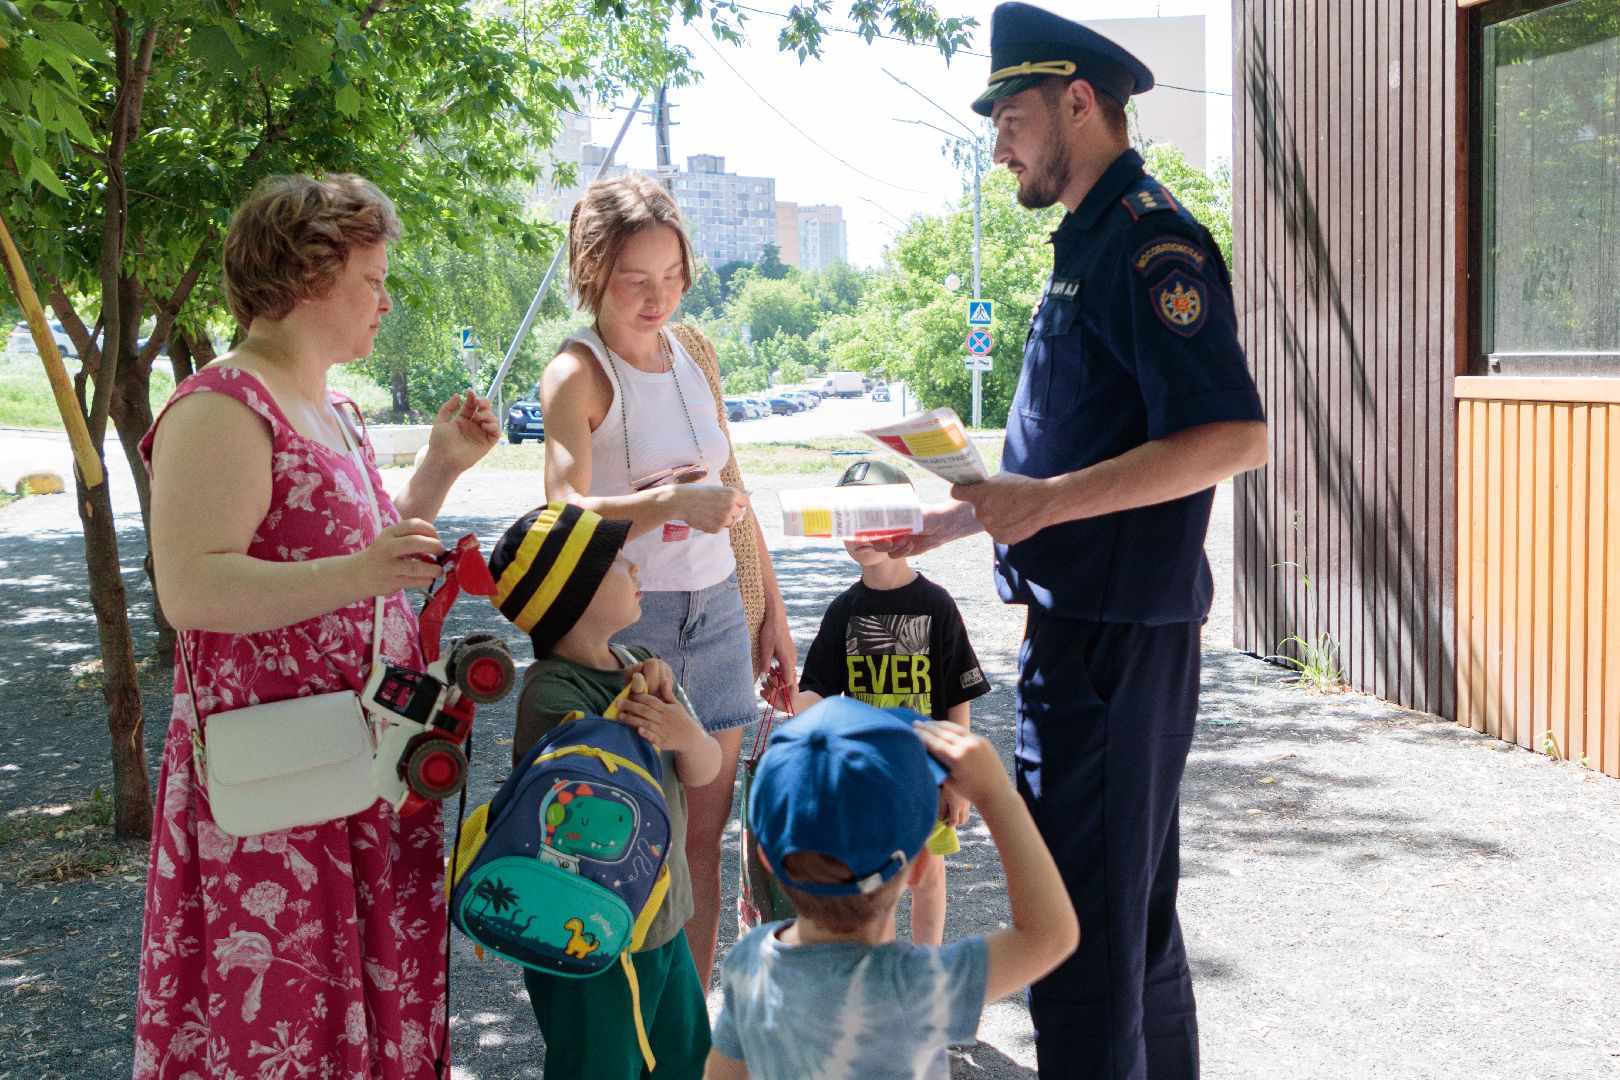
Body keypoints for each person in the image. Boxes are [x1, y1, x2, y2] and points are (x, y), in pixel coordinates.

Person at [881, 5, 1271, 1077]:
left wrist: (1043, 504)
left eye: (1011, 115)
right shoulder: (1092, 242)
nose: (998, 142)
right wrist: (976, 507)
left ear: (1079, 104)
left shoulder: (1149, 240)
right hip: (1092, 633)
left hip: (1111, 641)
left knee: (1087, 939)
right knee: (1129, 921)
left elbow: (1234, 436)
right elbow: (1086, 438)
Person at [133, 173, 500, 1077]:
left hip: (361, 766)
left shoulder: (336, 410)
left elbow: (369, 561)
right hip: (280, 783)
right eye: (372, 279)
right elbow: (192, 591)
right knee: (284, 1014)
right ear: (308, 276)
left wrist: (440, 471)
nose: (384, 299)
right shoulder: (221, 405)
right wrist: (360, 572)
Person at [541, 172, 797, 987]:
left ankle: (686, 1044)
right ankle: (626, 1031)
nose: (658, 300)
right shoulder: (578, 373)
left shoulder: (697, 352)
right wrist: (666, 502)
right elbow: (562, 512)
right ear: (592, 274)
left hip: (720, 614)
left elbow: (734, 488)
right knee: (624, 846)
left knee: (703, 847)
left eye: (673, 278)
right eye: (636, 282)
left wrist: (773, 615)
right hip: (627, 628)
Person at [703, 698, 1079, 1080]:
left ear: (767, 860)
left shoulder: (749, 964)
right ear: (919, 867)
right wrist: (997, 795)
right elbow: (1050, 935)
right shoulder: (917, 988)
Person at [488, 500, 721, 1078]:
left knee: (685, 1061)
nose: (636, 567)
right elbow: (597, 782)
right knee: (598, 1064)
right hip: (583, 935)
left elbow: (704, 768)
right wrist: (642, 711)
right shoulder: (550, 694)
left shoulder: (641, 662)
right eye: (619, 561)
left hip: (664, 918)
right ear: (576, 595)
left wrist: (684, 732)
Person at [778, 458, 989, 946]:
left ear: (906, 522)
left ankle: (926, 966)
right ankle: (884, 968)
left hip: (925, 771)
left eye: (875, 519)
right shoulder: (843, 610)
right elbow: (816, 696)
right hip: (864, 773)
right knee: (880, 882)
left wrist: (958, 779)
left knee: (929, 875)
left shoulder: (936, 604)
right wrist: (785, 694)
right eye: (849, 521)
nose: (861, 534)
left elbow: (959, 693)